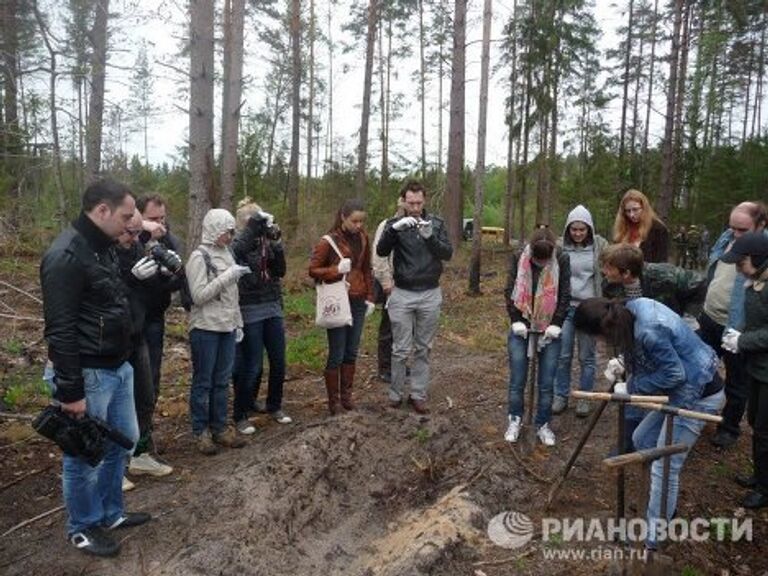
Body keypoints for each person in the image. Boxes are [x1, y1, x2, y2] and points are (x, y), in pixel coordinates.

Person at [40, 179, 149, 557]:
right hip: (87, 373)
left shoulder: (104, 249)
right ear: (101, 210)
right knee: (84, 454)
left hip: (118, 366)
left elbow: (115, 302)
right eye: (125, 215)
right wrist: (71, 391)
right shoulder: (66, 256)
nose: (130, 223)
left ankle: (110, 512)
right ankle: (82, 527)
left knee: (124, 441)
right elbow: (60, 327)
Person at [574, 297, 724, 549]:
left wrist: (631, 386)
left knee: (665, 466)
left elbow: (674, 374)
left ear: (604, 330)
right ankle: (663, 507)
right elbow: (652, 355)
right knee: (642, 440)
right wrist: (624, 363)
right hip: (682, 391)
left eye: (597, 339)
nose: (599, 344)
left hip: (698, 394)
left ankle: (654, 537)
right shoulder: (628, 312)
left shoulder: (649, 330)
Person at [376, 180, 453, 414]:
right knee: (400, 349)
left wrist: (430, 237)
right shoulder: (395, 224)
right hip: (403, 292)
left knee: (423, 348)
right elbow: (381, 251)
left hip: (430, 292)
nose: (416, 207)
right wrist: (394, 230)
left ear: (425, 200)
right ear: (404, 201)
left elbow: (447, 253)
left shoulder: (437, 223)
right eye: (411, 203)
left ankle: (418, 394)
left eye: (419, 202)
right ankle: (396, 393)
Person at [697, 202, 768, 449]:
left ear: (761, 225)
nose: (736, 234)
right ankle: (698, 414)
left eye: (742, 230)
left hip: (737, 328)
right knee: (699, 368)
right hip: (709, 317)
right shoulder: (726, 237)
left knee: (737, 381)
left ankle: (729, 428)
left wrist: (742, 334)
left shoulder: (762, 250)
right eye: (732, 228)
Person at [115, 210, 173, 486]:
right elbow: (106, 294)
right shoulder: (105, 252)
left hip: (138, 333)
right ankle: (112, 463)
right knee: (114, 403)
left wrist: (163, 276)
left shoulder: (138, 247)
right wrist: (130, 278)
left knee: (145, 396)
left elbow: (153, 293)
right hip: (113, 340)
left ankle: (139, 454)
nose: (136, 238)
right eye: (131, 232)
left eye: (140, 233)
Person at [186, 208, 250, 454]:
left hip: (226, 325)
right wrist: (227, 277)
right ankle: (200, 431)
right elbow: (199, 296)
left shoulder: (228, 254)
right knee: (204, 381)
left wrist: (238, 322)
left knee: (222, 380)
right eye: (227, 231)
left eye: (233, 231)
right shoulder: (199, 257)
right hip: (205, 327)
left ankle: (220, 428)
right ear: (215, 230)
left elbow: (232, 297)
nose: (232, 236)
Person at [504, 227, 571, 445]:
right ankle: (515, 419)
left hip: (550, 325)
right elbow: (510, 289)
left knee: (546, 381)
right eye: (537, 260)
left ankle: (543, 423)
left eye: (544, 261)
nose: (541, 264)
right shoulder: (518, 257)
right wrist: (515, 319)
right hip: (522, 323)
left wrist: (557, 324)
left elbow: (564, 294)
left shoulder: (561, 258)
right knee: (517, 379)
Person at [230, 199, 291, 434]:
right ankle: (241, 412)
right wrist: (251, 232)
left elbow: (280, 271)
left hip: (272, 303)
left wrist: (276, 243)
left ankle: (274, 404)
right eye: (252, 223)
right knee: (252, 364)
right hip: (249, 307)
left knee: (278, 360)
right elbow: (237, 254)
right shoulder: (236, 243)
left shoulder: (266, 241)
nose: (257, 228)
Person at [309, 199, 375, 414]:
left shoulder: (364, 238)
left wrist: (370, 296)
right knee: (337, 352)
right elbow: (313, 270)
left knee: (351, 351)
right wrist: (336, 270)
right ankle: (334, 402)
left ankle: (347, 396)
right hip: (338, 300)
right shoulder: (328, 241)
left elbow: (367, 269)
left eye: (361, 221)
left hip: (358, 299)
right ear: (343, 217)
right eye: (354, 221)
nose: (358, 225)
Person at [719, 232, 768, 508]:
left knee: (764, 429)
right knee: (756, 425)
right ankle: (761, 476)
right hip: (758, 367)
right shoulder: (755, 282)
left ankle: (764, 487)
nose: (738, 267)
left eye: (742, 261)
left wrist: (743, 341)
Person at [135, 195, 184, 451]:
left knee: (151, 380)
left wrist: (169, 277)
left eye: (163, 218)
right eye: (153, 219)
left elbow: (180, 278)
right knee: (129, 381)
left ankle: (144, 437)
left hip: (154, 317)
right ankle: (128, 442)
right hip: (130, 321)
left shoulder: (169, 240)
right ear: (139, 217)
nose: (160, 224)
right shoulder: (129, 239)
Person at [553, 205, 607, 417]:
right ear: (568, 229)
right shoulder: (560, 247)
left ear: (589, 229)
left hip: (589, 310)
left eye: (582, 229)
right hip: (565, 307)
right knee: (563, 356)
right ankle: (561, 395)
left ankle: (585, 397)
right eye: (573, 229)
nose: (577, 233)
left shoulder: (599, 247)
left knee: (587, 357)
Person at [601, 243, 707, 317]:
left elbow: (699, 283)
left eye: (608, 268)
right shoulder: (609, 286)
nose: (603, 271)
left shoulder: (664, 275)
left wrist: (689, 317)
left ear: (626, 273)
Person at [371, 198, 406, 382]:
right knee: (388, 328)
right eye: (403, 206)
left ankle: (399, 364)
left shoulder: (414, 226)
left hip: (408, 285)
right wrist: (385, 281)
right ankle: (384, 367)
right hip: (391, 284)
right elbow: (378, 256)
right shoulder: (386, 225)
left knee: (404, 328)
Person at [613, 188, 669, 263]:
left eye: (635, 209)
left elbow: (661, 262)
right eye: (628, 211)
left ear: (644, 208)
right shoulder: (622, 230)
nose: (631, 215)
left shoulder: (658, 229)